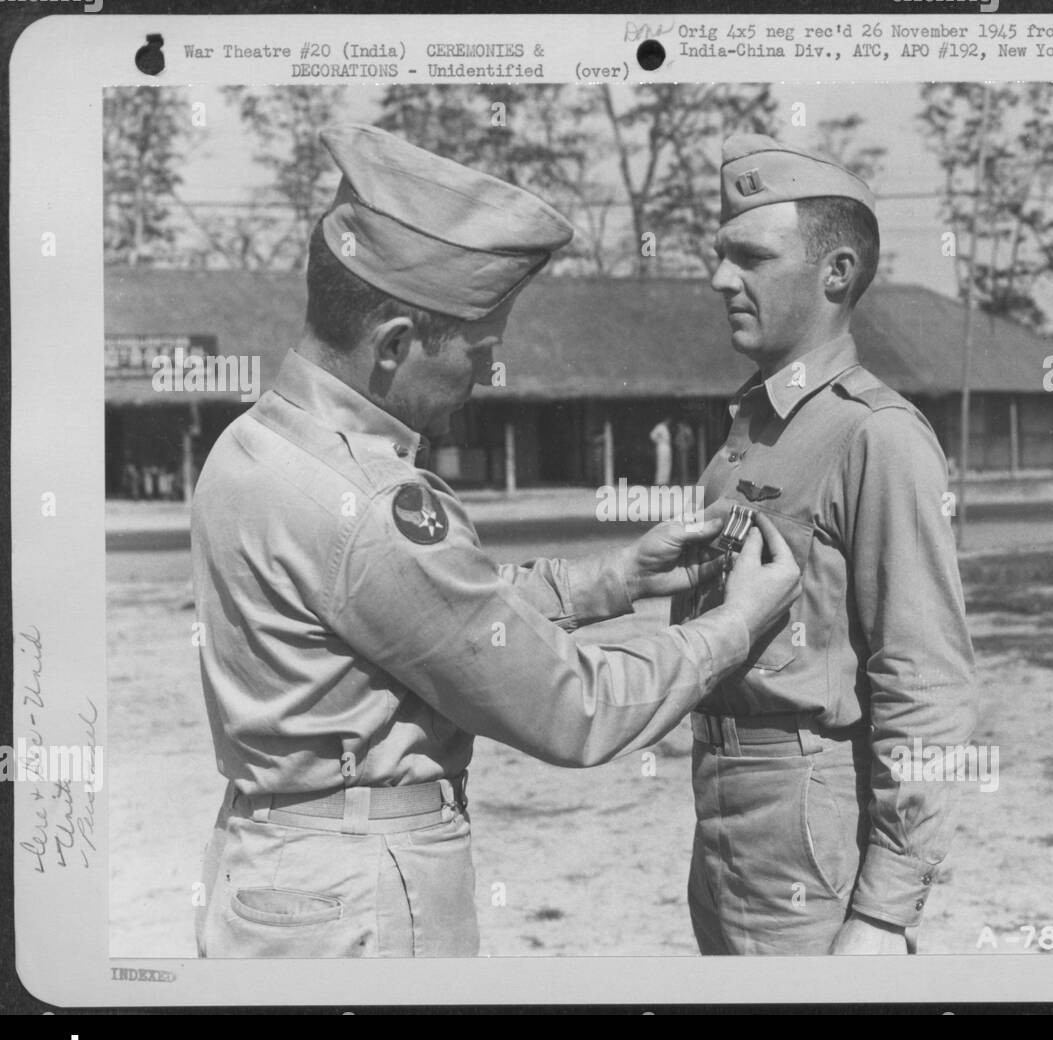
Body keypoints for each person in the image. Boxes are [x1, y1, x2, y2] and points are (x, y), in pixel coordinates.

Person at [190, 123, 801, 958]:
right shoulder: (373, 506)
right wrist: (734, 625)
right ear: (396, 343)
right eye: (480, 354)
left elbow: (415, 617)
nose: (481, 382)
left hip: (270, 870)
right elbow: (571, 708)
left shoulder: (252, 445)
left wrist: (620, 575)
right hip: (362, 896)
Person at [672, 134, 978, 956]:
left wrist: (883, 911)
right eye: (720, 255)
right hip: (725, 802)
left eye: (749, 258)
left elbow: (927, 681)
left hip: (808, 810)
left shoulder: (876, 435)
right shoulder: (748, 434)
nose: (719, 279)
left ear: (835, 273)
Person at [650, 418, 672, 485]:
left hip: (667, 447)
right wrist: (658, 441)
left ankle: (665, 481)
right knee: (661, 464)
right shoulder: (660, 427)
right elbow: (652, 435)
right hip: (662, 446)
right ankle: (659, 481)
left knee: (667, 464)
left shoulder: (665, 428)